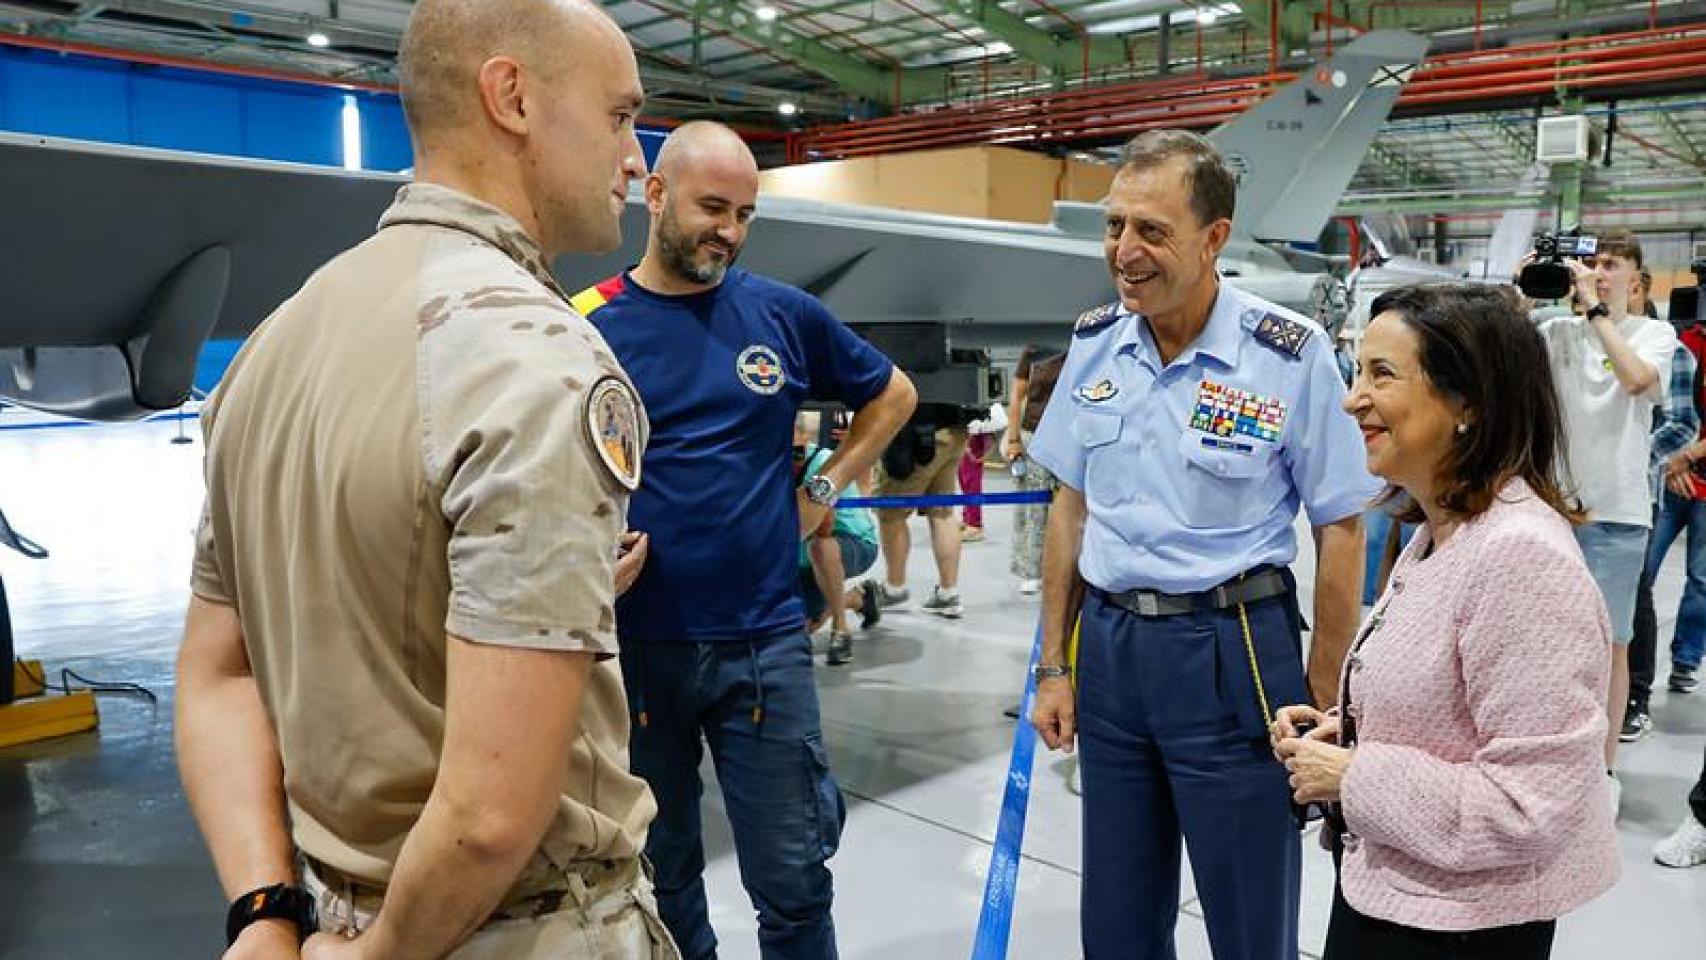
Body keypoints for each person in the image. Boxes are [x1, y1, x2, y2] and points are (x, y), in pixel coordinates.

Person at [174, 2, 676, 958]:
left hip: (331, 916)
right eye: (619, 116)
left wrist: (265, 910)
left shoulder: (272, 346)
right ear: (512, 97)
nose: (634, 160)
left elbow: (218, 670)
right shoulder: (537, 363)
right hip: (520, 929)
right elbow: (490, 814)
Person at [569, 121, 916, 960]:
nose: (728, 230)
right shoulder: (583, 324)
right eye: (712, 208)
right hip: (636, 650)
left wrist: (822, 490)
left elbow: (894, 394)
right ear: (655, 195)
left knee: (794, 878)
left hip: (763, 647)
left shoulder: (782, 315)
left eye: (745, 214)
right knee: (662, 876)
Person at [1027, 129, 1376, 960]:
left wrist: (1325, 689)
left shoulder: (1286, 354)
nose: (1124, 251)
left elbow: (1341, 524)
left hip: (1234, 651)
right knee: (1117, 914)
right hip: (1111, 650)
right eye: (1115, 226)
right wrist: (1054, 666)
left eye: (1152, 231)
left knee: (1249, 915)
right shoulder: (1095, 344)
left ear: (1214, 237)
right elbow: (1070, 510)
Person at [1274, 282, 1619, 959]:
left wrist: (1352, 775)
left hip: (1459, 929)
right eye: (1357, 370)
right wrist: (1350, 731)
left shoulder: (1520, 558)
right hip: (1402, 895)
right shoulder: (1444, 530)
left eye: (1381, 374)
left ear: (1468, 403)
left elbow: (1531, 804)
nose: (1352, 399)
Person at [1536, 229, 1677, 805]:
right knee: (1545, 642)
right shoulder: (1554, 332)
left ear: (1635, 280)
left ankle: (1603, 770)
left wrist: (1596, 312)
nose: (1597, 271)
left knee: (1611, 644)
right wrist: (1526, 288)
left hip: (1618, 513)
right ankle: (1549, 756)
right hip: (1554, 510)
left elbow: (1638, 381)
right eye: (1591, 262)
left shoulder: (1656, 334)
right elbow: (1499, 357)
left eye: (1611, 264)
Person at [1626, 269, 1702, 741]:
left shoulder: (1669, 348)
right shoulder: (1684, 341)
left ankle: (1680, 664)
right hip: (1663, 479)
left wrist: (1680, 458)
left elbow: (1681, 422)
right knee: (1642, 579)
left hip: (1666, 477)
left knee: (1694, 580)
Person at [794, 411, 880, 665]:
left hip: (852, 541)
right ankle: (858, 598)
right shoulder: (767, 463)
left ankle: (840, 630)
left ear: (804, 436)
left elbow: (824, 525)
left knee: (821, 548)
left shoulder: (823, 463)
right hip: (801, 550)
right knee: (800, 628)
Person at [869, 407, 971, 617]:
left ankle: (894, 589)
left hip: (915, 433)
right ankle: (948, 593)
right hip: (954, 430)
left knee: (891, 513)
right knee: (943, 513)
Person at [1005, 343, 1066, 596]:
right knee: (1033, 510)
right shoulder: (1034, 349)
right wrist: (1013, 438)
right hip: (1035, 436)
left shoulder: (1082, 343)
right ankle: (1032, 571)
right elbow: (1017, 395)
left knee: (1068, 509)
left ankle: (1066, 570)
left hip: (1070, 438)